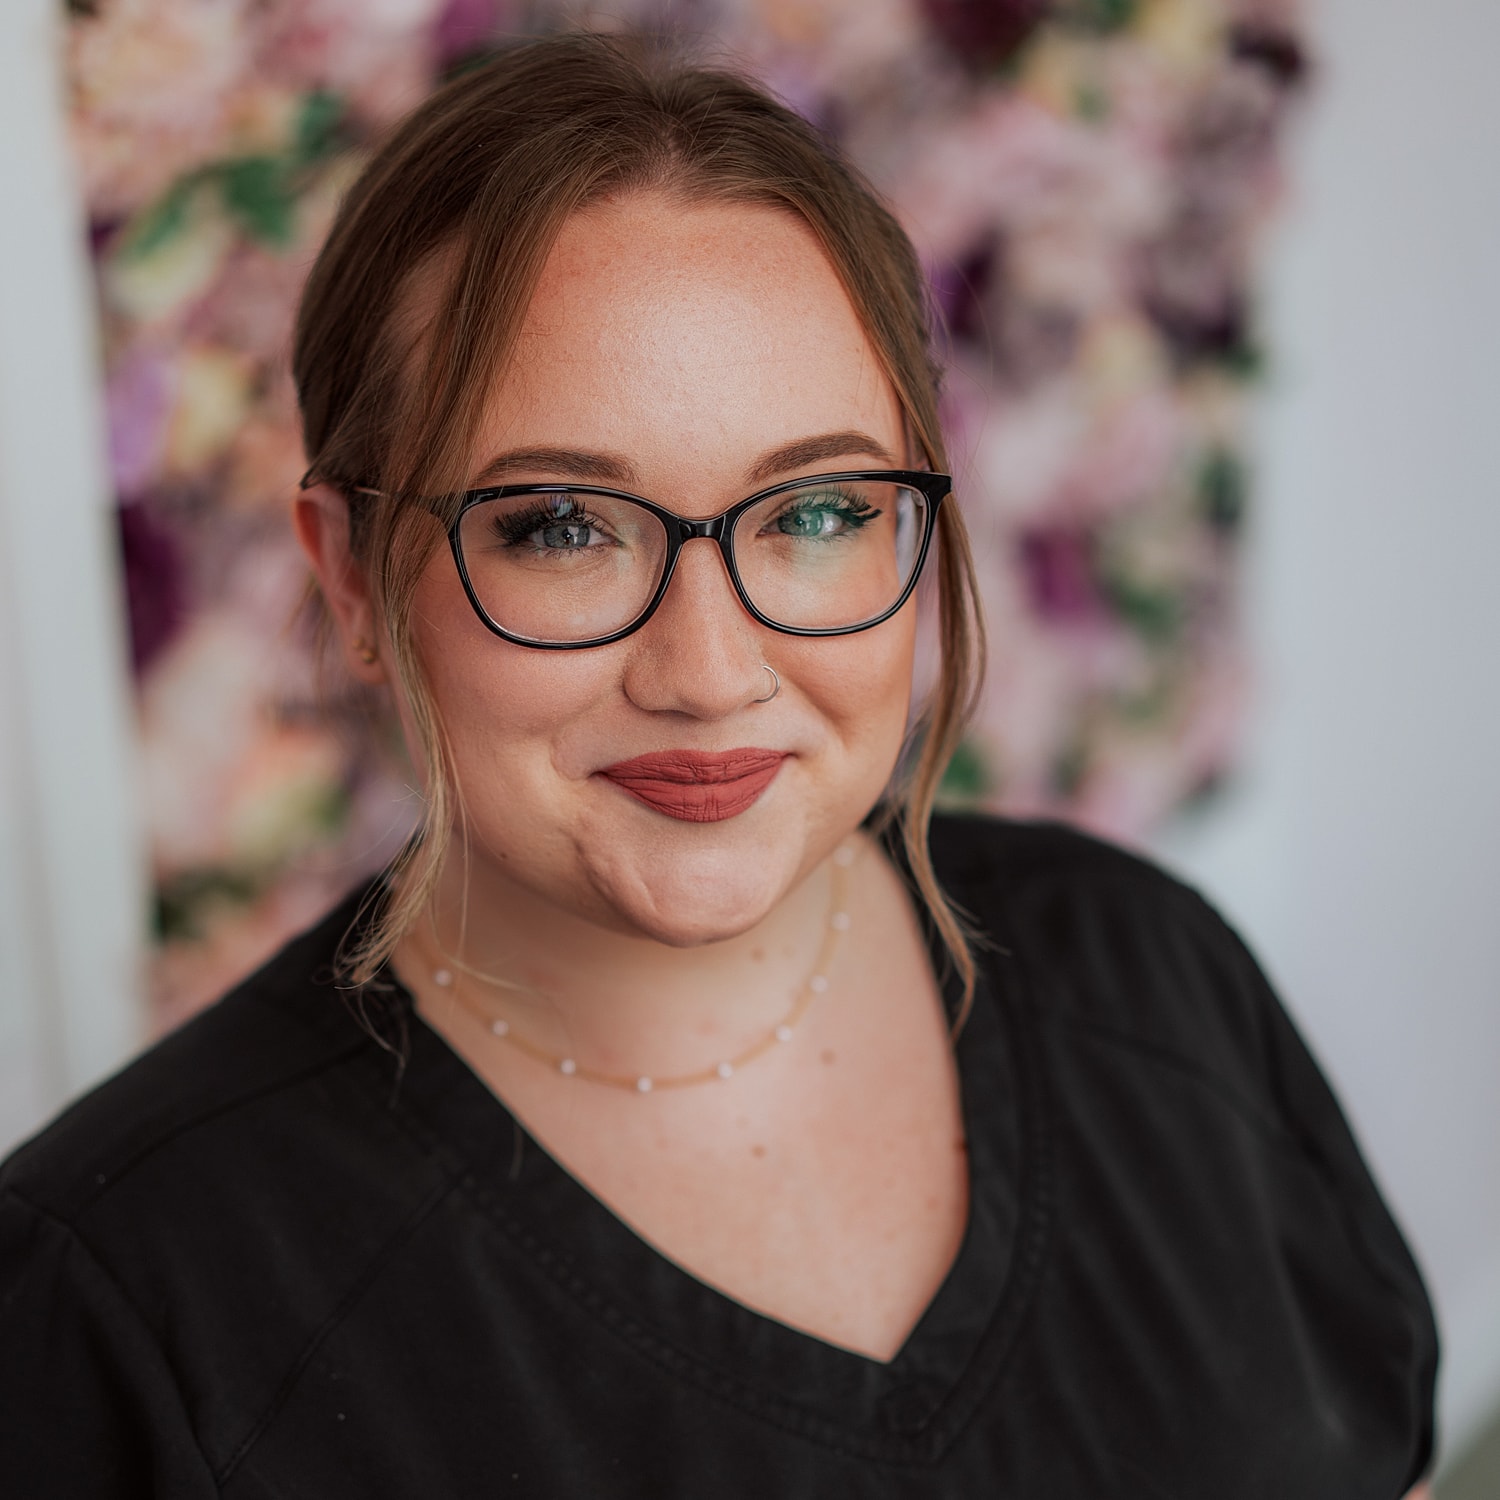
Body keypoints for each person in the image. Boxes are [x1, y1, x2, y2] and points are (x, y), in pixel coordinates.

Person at [0, 32, 1436, 1498]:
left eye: (813, 513)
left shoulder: (1154, 977)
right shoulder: (114, 1308)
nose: (707, 670)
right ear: (356, 578)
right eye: (561, 526)